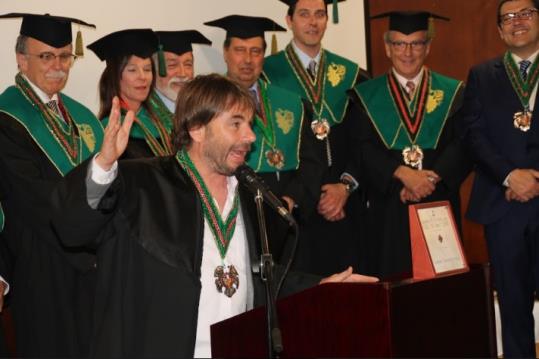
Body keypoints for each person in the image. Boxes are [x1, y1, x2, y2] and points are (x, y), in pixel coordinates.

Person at [51, 73, 378, 357]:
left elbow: (259, 278)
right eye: (236, 124)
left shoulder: (251, 193)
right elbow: (71, 229)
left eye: (249, 124)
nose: (250, 136)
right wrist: (104, 166)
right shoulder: (141, 184)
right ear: (197, 128)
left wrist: (321, 285)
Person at [0, 13, 102, 356]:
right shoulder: (7, 118)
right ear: (21, 59)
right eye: (46, 56)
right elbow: (30, 198)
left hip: (87, 262)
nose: (58, 65)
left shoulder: (81, 116)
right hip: (40, 265)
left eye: (64, 56)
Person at [349, 11, 471, 279]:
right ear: (387, 48)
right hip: (389, 206)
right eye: (399, 44)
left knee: (441, 289)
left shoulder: (453, 93)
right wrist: (403, 175)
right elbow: (362, 149)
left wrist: (428, 180)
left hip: (437, 200)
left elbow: (463, 144)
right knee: (394, 289)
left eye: (416, 43)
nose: (407, 52)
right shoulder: (366, 96)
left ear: (427, 48)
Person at [204, 14, 324, 262]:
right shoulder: (210, 105)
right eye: (240, 50)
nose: (248, 60)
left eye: (256, 51)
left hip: (287, 214)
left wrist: (292, 199)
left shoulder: (292, 103)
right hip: (238, 215)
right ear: (226, 53)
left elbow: (312, 160)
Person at [263, 0, 369, 276]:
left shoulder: (351, 74)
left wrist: (345, 186)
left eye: (319, 15)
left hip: (344, 206)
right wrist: (300, 196)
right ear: (289, 20)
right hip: (297, 210)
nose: (313, 22)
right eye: (304, 14)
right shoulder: (266, 74)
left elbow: (363, 140)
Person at [460, 0, 539, 356]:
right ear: (498, 30)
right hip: (502, 207)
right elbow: (473, 135)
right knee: (513, 305)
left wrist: (534, 179)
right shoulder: (481, 74)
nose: (517, 22)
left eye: (525, 13)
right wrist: (510, 176)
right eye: (508, 17)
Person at [89, 28, 174, 158]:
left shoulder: (164, 122)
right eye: (132, 70)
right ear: (115, 77)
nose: (142, 77)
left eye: (147, 69)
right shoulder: (109, 131)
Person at [151, 30, 212, 113]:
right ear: (153, 69)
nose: (182, 74)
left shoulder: (204, 107)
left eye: (188, 65)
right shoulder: (143, 114)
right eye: (172, 65)